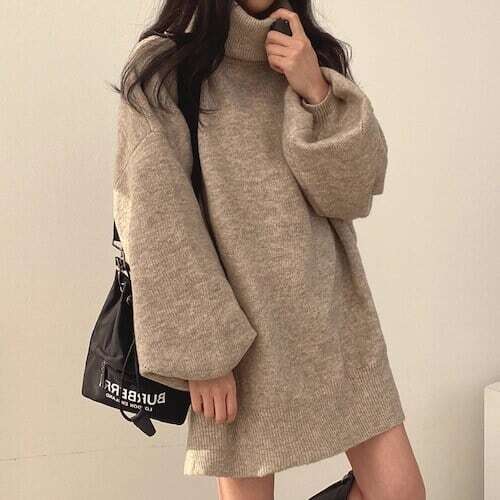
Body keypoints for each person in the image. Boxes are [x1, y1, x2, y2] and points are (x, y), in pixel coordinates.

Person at [111, 0, 426, 499]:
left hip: (335, 326)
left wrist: (317, 92)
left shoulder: (309, 56)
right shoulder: (165, 70)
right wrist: (204, 351)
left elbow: (354, 192)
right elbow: (154, 217)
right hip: (239, 344)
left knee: (401, 492)